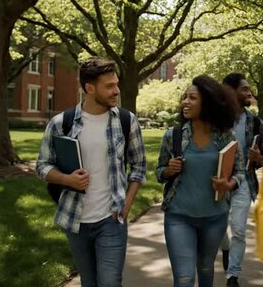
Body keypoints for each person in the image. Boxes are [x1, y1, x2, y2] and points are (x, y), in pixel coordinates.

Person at [36, 58, 147, 287]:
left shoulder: (127, 121)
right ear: (89, 88)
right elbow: (43, 166)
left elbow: (139, 166)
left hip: (111, 219)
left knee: (109, 282)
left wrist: (127, 203)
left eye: (116, 84)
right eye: (109, 86)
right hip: (76, 219)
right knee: (89, 282)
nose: (116, 90)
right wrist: (66, 179)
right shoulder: (60, 123)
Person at [157, 75, 243, 287]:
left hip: (215, 217)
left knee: (205, 270)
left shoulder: (226, 137)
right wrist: (168, 170)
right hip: (179, 217)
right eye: (184, 97)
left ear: (208, 102)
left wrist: (228, 184)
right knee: (185, 278)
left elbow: (240, 171)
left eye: (192, 98)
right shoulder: (173, 136)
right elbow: (159, 172)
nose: (185, 102)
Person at [220, 72, 263, 287]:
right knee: (219, 229)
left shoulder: (255, 122)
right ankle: (226, 249)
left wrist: (258, 158)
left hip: (243, 182)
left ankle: (233, 275)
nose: (249, 93)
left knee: (238, 229)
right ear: (231, 91)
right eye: (245, 89)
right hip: (218, 181)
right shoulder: (217, 119)